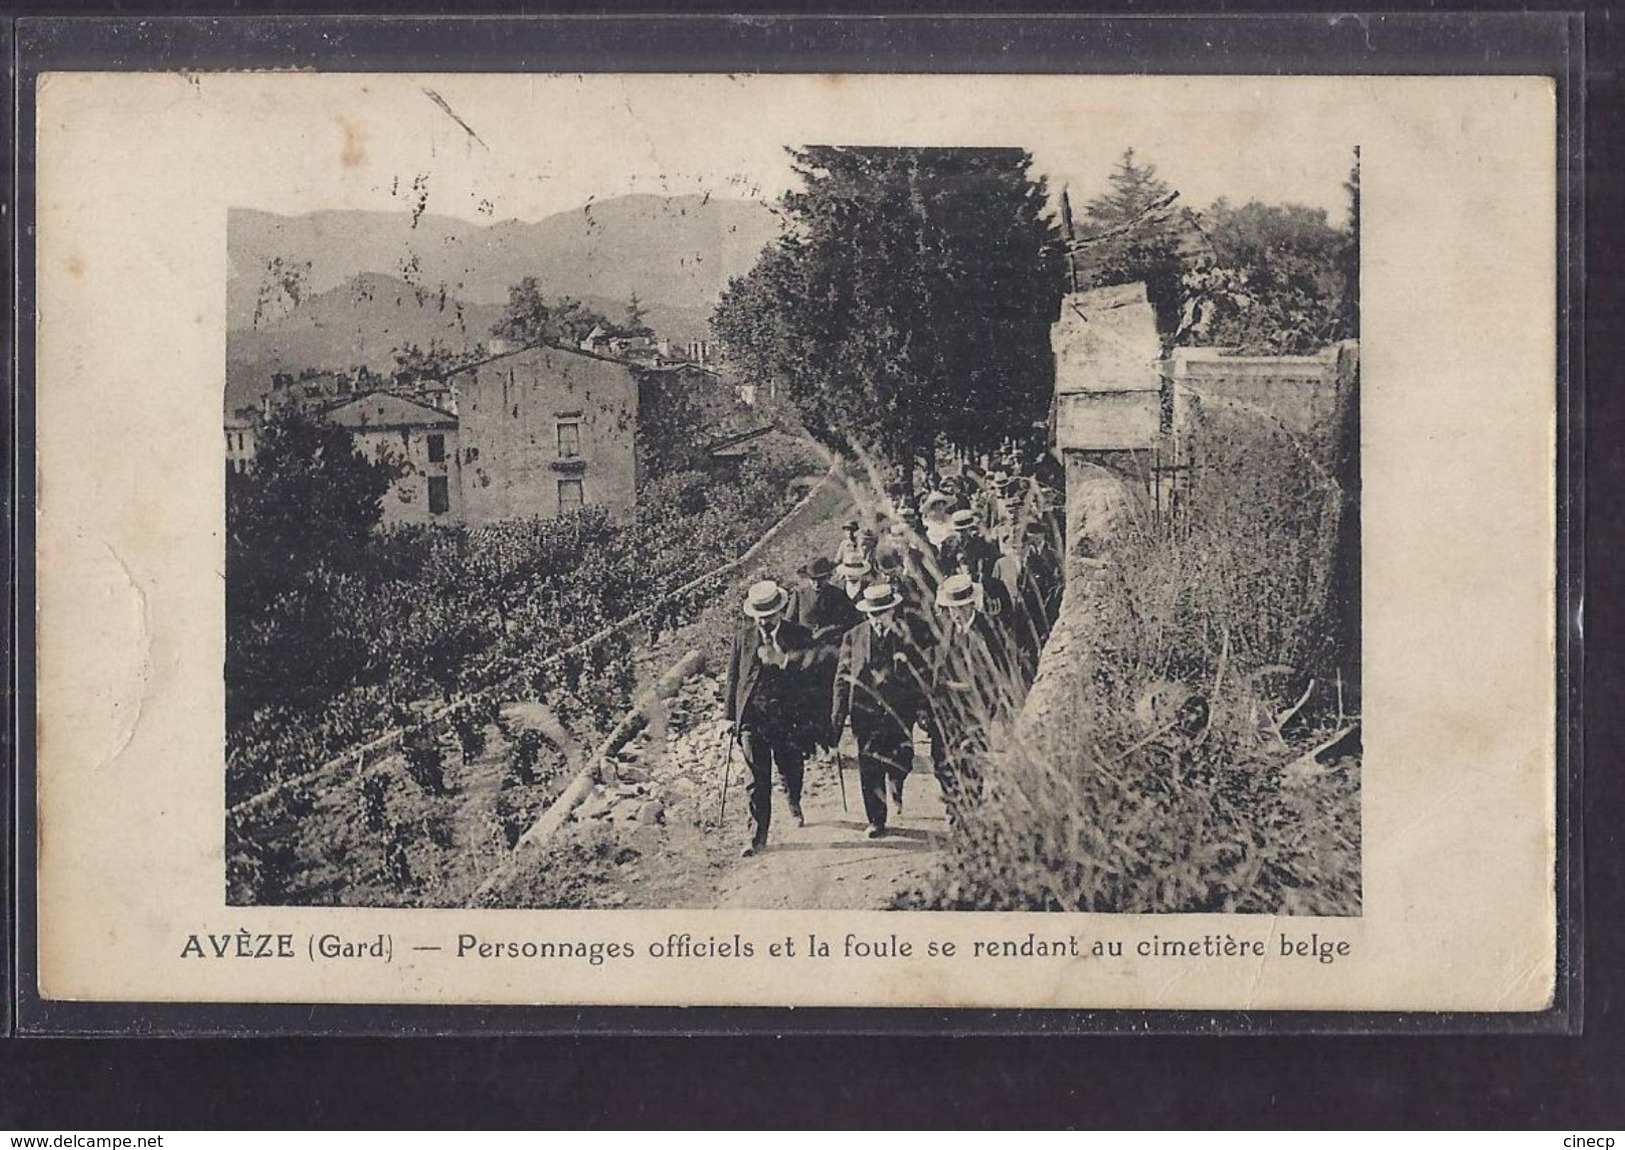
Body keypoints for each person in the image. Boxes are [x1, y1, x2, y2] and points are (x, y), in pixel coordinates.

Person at [724, 579, 817, 857]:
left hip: (787, 717)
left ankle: (794, 799)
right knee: (756, 778)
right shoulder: (743, 638)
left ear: (780, 611)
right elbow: (733, 679)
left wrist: (785, 661)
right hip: (752, 718)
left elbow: (811, 675)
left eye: (770, 616)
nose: (765, 621)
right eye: (760, 617)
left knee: (791, 767)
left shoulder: (799, 635)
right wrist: (729, 717)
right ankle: (756, 835)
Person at [831, 582, 929, 838]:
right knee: (869, 766)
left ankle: (897, 783)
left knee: (901, 760)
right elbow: (842, 679)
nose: (878, 618)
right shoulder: (853, 637)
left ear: (891, 610)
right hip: (865, 713)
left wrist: (921, 707)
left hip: (899, 711)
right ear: (867, 613)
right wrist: (837, 719)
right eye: (873, 613)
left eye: (882, 612)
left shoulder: (907, 634)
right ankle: (876, 819)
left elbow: (920, 674)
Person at [926, 572, 1018, 824]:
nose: (955, 613)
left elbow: (1000, 671)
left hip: (976, 708)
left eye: (959, 608)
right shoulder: (944, 630)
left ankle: (968, 810)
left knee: (972, 760)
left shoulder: (989, 630)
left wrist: (996, 704)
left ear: (970, 605)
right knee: (941, 759)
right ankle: (953, 802)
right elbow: (935, 668)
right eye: (951, 608)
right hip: (946, 708)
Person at [790, 557, 862, 749]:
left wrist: (829, 632)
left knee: (827, 700)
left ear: (828, 577)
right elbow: (789, 626)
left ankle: (829, 740)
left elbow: (853, 625)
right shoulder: (799, 595)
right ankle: (811, 743)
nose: (816, 583)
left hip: (831, 659)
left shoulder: (838, 596)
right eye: (812, 579)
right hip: (805, 660)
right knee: (807, 700)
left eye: (820, 579)